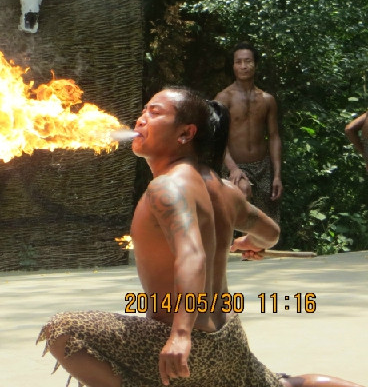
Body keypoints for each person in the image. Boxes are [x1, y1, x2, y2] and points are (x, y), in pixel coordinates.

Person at [36, 87, 364, 387]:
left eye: (154, 112)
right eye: (144, 110)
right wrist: (253, 243)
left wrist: (180, 334)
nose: (141, 118)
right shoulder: (225, 192)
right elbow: (271, 233)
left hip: (191, 350)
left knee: (63, 330)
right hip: (228, 339)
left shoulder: (168, 187)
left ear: (186, 134)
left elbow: (192, 255)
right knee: (281, 385)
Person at [214, 42, 283, 223]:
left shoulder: (267, 100)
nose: (243, 66)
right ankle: (232, 246)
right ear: (233, 66)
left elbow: (274, 137)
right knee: (241, 193)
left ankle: (259, 249)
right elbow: (217, 137)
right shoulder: (223, 98)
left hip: (263, 166)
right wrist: (233, 168)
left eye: (248, 61)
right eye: (239, 62)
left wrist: (277, 175)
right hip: (235, 164)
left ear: (255, 65)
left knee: (268, 220)